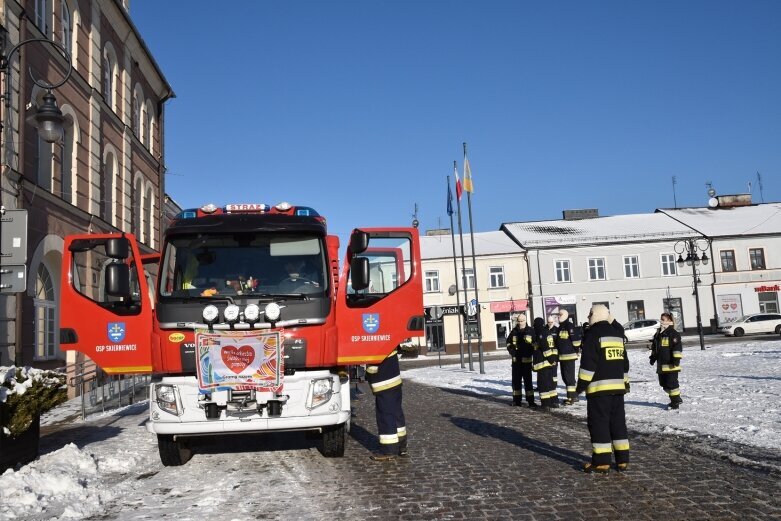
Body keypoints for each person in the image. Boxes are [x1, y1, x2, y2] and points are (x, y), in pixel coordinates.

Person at [576, 304, 630, 473]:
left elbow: (588, 366)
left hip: (599, 390)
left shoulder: (593, 334)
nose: (588, 316)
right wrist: (625, 383)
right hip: (618, 388)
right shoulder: (616, 333)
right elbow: (624, 363)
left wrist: (579, 388)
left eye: (589, 313)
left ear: (594, 315)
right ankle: (622, 460)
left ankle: (601, 462)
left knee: (599, 424)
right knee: (618, 423)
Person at [365, 347, 407, 461]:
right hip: (395, 382)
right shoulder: (389, 340)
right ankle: (401, 446)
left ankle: (388, 450)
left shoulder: (376, 343)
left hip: (384, 384)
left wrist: (367, 372)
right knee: (397, 414)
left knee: (386, 416)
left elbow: (372, 369)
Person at [649, 312, 683, 409]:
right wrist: (653, 357)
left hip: (671, 364)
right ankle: (676, 398)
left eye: (663, 320)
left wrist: (676, 360)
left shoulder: (673, 334)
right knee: (663, 384)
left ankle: (675, 402)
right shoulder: (659, 334)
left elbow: (677, 348)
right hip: (661, 365)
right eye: (661, 319)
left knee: (671, 384)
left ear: (670, 321)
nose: (661, 321)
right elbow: (655, 348)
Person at [506, 315, 537, 407]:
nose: (520, 323)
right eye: (518, 321)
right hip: (516, 361)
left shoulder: (530, 331)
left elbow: (535, 344)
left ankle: (531, 401)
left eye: (522, 321)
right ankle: (516, 400)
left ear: (525, 320)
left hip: (526, 361)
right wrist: (512, 351)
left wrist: (530, 352)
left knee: (528, 382)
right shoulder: (514, 331)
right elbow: (508, 343)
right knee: (516, 382)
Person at [532, 317, 558, 408]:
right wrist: (553, 359)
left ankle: (546, 404)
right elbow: (553, 347)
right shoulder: (547, 332)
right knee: (550, 383)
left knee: (542, 384)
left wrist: (550, 359)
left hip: (543, 363)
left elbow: (544, 347)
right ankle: (554, 401)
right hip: (549, 362)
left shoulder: (540, 333)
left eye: (535, 324)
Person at [556, 309, 579, 405]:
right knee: (565, 378)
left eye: (560, 315)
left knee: (569, 378)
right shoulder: (560, 327)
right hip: (562, 357)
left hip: (569, 357)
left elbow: (576, 341)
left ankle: (572, 398)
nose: (558, 317)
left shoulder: (569, 326)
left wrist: (576, 350)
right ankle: (572, 395)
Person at [545, 315, 560, 401]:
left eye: (551, 322)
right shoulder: (545, 329)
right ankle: (548, 385)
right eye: (548, 322)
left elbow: (558, 343)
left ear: (553, 322)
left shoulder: (556, 330)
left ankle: (553, 385)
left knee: (554, 372)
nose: (550, 324)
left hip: (554, 354)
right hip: (547, 354)